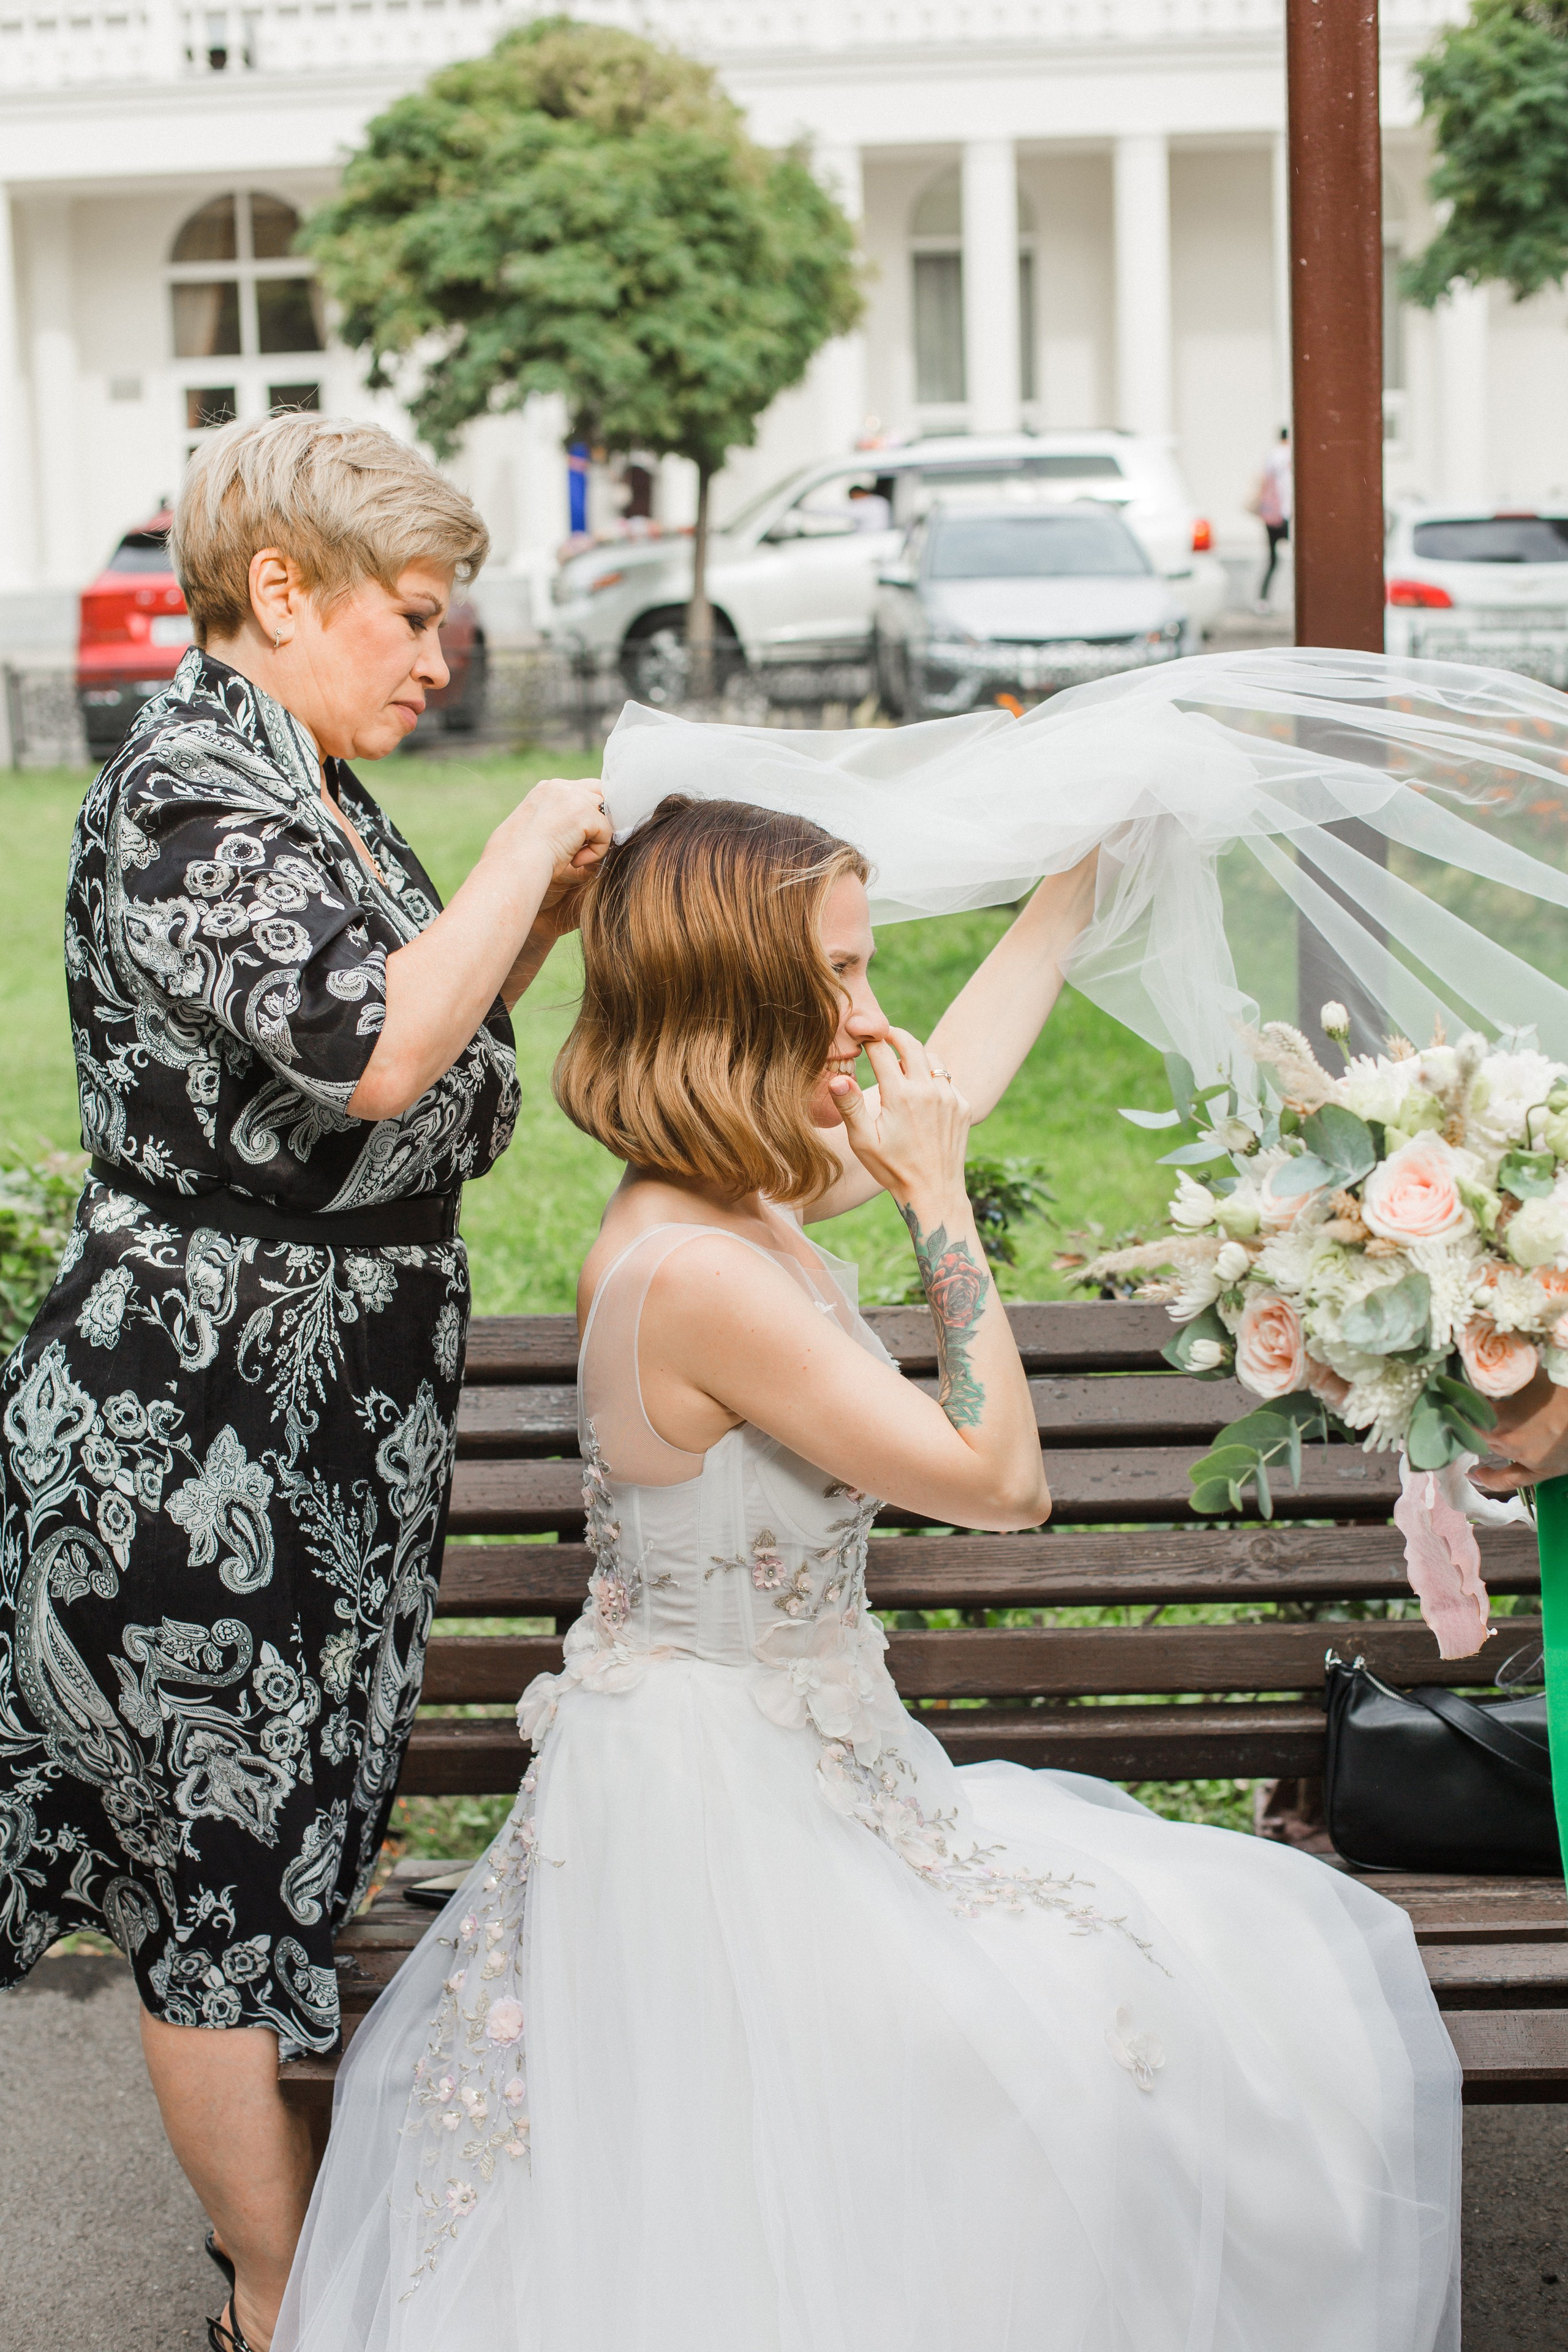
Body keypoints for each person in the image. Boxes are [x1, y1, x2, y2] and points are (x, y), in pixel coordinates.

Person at [277, 797, 1461, 2352]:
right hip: (724, 1823)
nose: (869, 1014)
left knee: (1221, 1981)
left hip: (808, 1765)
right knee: (1118, 2049)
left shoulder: (728, 1197)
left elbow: (939, 1076)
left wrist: (1064, 888)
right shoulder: (693, 1272)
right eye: (837, 978)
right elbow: (1001, 1484)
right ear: (735, 1000)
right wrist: (937, 1200)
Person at [0, 413, 610, 2352]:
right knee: (215, 1877)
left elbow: (394, 1048)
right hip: (193, 1437)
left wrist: (514, 930)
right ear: (283, 590)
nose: (443, 659)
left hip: (316, 1421)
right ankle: (278, 2304)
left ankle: (283, 2287)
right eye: (416, 617)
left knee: (271, 1859)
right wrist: (521, 848)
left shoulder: (315, 789)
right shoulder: (196, 794)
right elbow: (360, 1051)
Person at [1252, 423, 1292, 611]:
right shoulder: (1291, 454)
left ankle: (1263, 599)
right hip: (1288, 513)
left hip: (1272, 515)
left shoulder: (1273, 455)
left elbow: (1264, 481)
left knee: (1272, 559)